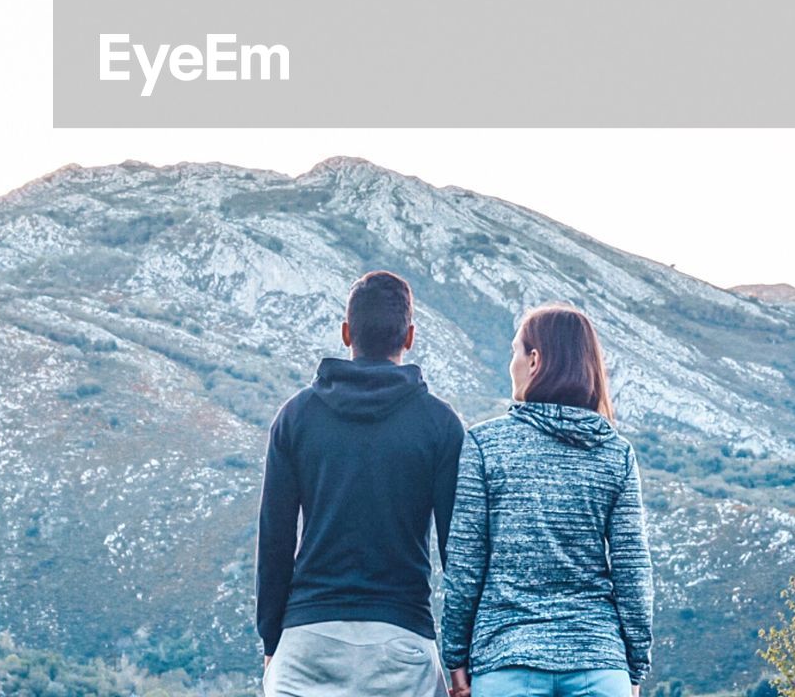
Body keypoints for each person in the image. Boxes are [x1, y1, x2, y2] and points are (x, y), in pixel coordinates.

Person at [255, 270, 465, 697]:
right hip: (402, 643)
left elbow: (274, 539)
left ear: (346, 333)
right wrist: (460, 659)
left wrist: (272, 640)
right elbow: (458, 554)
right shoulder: (441, 425)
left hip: (307, 641)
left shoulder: (296, 418)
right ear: (410, 337)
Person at [441, 303, 654, 697]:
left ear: (534, 360)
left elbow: (466, 565)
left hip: (507, 662)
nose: (512, 364)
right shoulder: (615, 453)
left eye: (515, 352)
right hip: (599, 664)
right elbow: (632, 571)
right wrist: (634, 669)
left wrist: (455, 662)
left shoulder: (486, 445)